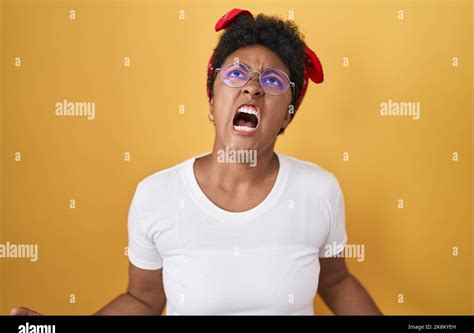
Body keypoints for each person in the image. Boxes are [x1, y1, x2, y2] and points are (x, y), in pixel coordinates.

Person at [11, 8, 381, 316]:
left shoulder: (318, 191)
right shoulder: (155, 196)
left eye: (272, 81)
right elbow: (144, 298)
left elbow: (335, 281)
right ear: (211, 101)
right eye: (236, 74)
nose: (252, 87)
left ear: (287, 115)